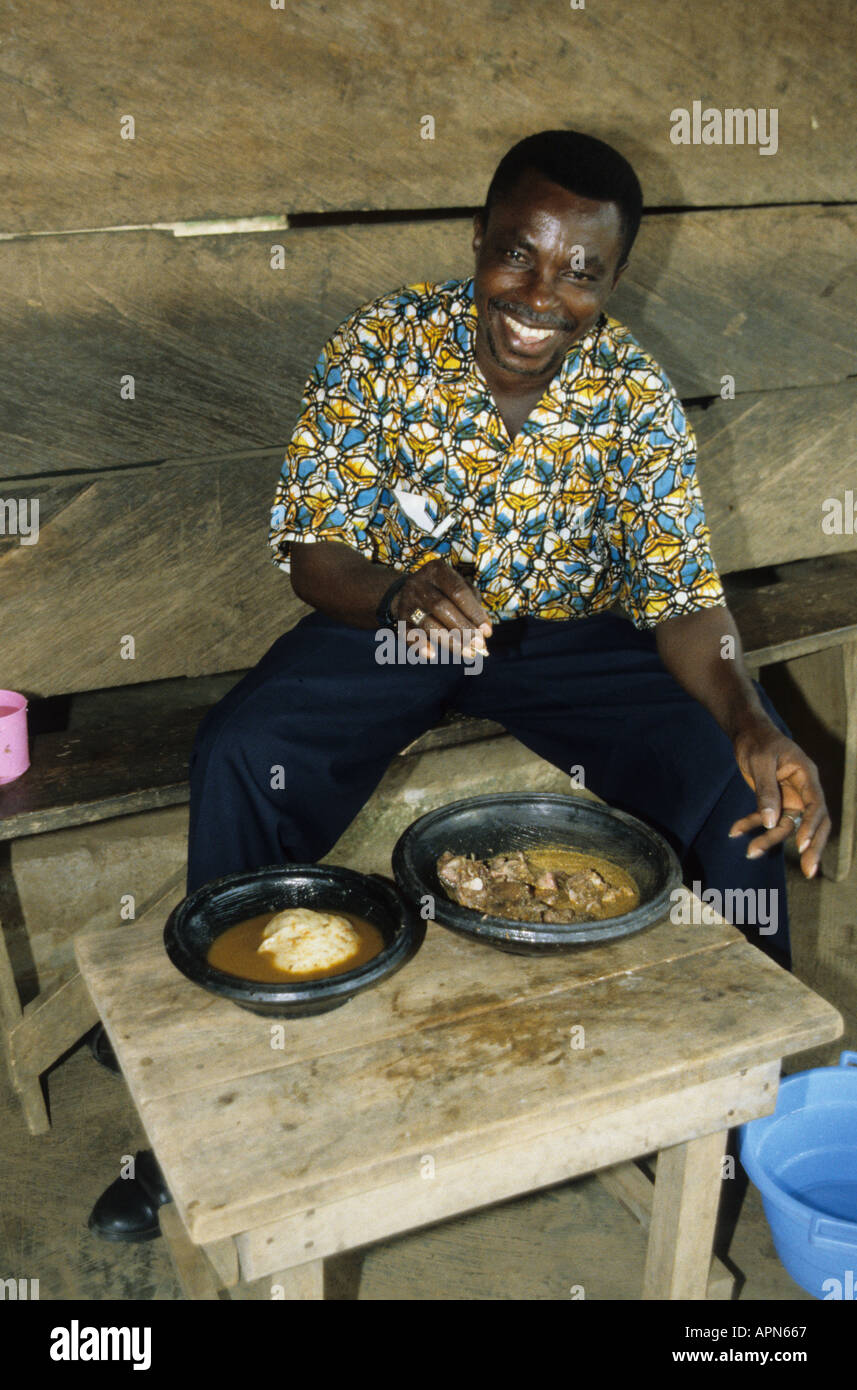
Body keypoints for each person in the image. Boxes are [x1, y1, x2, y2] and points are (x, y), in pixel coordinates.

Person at [88, 129, 830, 1241]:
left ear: (612, 280)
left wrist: (753, 720)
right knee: (243, 751)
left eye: (581, 272)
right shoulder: (382, 346)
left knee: (736, 801)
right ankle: (209, 1117)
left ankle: (718, 1134)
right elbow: (311, 552)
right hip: (392, 622)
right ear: (476, 242)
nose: (542, 295)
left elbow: (681, 596)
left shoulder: (629, 391)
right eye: (519, 256)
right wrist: (394, 597)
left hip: (569, 642)